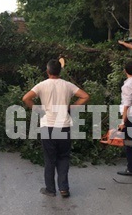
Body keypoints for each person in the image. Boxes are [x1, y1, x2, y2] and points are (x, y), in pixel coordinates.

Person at [22, 59, 90, 198]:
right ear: (60, 71)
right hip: (63, 126)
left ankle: (50, 189)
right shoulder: (68, 85)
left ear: (47, 71)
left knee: (49, 159)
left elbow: (26, 98)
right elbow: (85, 96)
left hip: (48, 126)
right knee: (63, 158)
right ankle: (64, 188)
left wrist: (38, 110)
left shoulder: (41, 85)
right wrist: (72, 107)